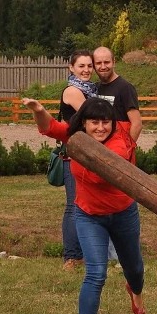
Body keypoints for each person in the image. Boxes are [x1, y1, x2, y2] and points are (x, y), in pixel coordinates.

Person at [23, 96, 147, 314]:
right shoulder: (76, 136)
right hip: (89, 215)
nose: (100, 127)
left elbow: (111, 162)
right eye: (94, 122)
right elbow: (50, 128)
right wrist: (40, 110)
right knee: (96, 273)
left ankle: (134, 291)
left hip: (123, 213)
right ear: (84, 123)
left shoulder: (119, 141)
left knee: (134, 269)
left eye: (105, 122)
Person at [93, 46, 142, 263]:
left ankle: (123, 256)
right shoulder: (95, 88)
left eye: (107, 62)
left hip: (120, 154)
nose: (103, 67)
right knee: (101, 202)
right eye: (99, 63)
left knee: (122, 203)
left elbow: (137, 123)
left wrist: (126, 152)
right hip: (100, 154)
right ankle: (105, 254)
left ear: (114, 62)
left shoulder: (125, 88)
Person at [58, 50, 97, 271]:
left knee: (85, 203)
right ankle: (71, 257)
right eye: (81, 66)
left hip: (87, 152)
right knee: (74, 205)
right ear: (71, 68)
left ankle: (83, 253)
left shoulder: (90, 90)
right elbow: (92, 113)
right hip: (74, 152)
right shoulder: (73, 91)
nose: (86, 70)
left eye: (89, 66)